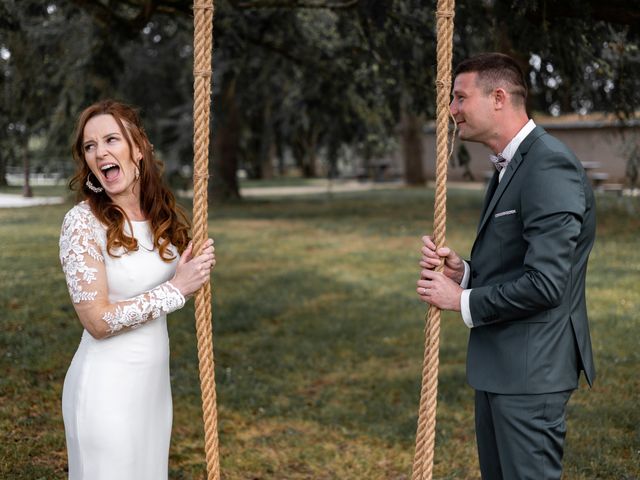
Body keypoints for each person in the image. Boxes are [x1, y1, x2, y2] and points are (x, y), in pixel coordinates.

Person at [416, 53, 596, 479]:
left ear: (498, 97)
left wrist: (461, 300)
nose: (452, 109)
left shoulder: (547, 165)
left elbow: (547, 284)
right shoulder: (510, 166)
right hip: (503, 367)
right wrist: (466, 272)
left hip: (531, 373)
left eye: (460, 97)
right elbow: (518, 263)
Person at [59, 99, 215, 480]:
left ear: (138, 148)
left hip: (152, 387)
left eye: (111, 139)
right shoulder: (82, 223)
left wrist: (187, 272)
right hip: (105, 389)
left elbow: (155, 278)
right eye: (90, 146)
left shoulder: (158, 215)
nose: (100, 152)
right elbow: (96, 320)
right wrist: (176, 289)